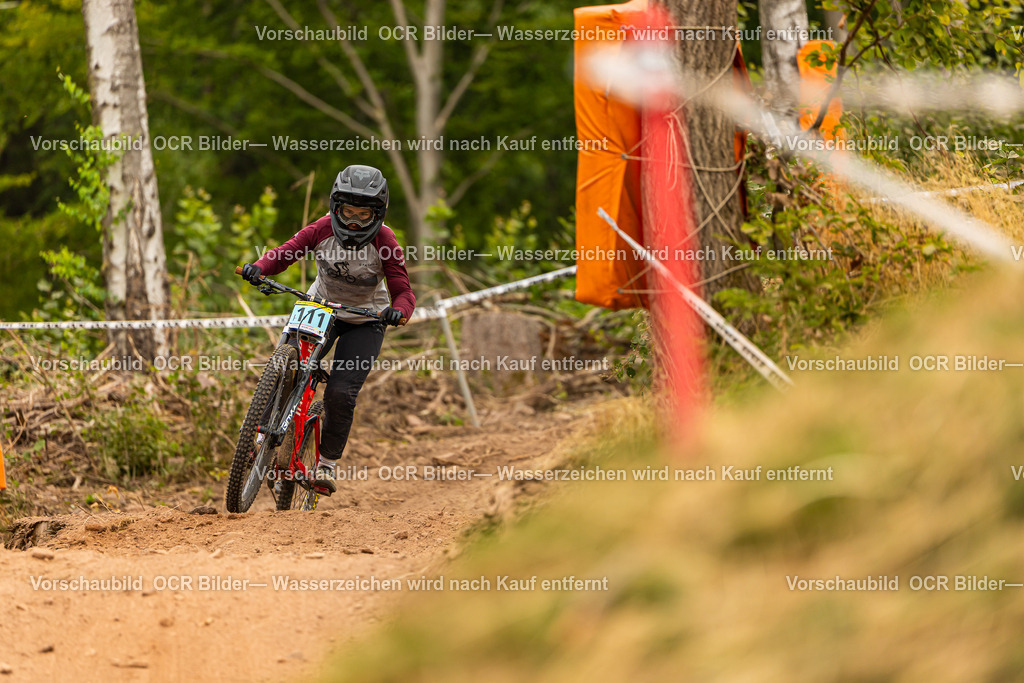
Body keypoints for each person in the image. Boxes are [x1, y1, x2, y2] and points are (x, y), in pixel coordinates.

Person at [239, 165, 415, 494]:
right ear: (335, 206)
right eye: (348, 211)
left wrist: (398, 312)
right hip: (319, 306)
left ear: (377, 214)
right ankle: (260, 437)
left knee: (339, 393)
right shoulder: (321, 228)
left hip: (365, 319)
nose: (353, 222)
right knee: (284, 362)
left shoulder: (385, 241)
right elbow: (285, 253)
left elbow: (404, 291)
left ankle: (327, 463)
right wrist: (259, 268)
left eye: (363, 214)